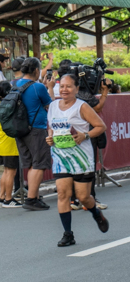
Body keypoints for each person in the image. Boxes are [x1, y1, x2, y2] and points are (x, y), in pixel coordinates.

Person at [46, 74, 109, 246]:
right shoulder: (52, 106)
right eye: (62, 86)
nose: (64, 90)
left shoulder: (82, 106)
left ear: (76, 89)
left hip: (81, 157)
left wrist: (85, 135)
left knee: (83, 197)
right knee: (63, 194)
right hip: (60, 156)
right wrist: (50, 137)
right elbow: (51, 126)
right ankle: (68, 234)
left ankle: (96, 213)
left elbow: (101, 126)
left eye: (68, 86)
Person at [14, 57, 55, 211]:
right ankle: (32, 199)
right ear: (37, 70)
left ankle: (34, 196)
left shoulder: (14, 84)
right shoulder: (38, 87)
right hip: (36, 129)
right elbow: (50, 106)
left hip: (20, 129)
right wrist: (49, 87)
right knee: (39, 164)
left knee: (30, 164)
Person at [0, 81, 20, 207]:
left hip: (2, 141)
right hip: (10, 142)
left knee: (6, 171)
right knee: (11, 172)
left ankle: (1, 196)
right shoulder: (7, 106)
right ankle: (8, 199)